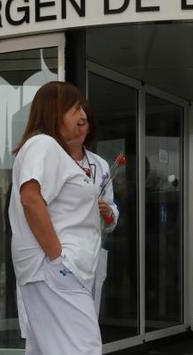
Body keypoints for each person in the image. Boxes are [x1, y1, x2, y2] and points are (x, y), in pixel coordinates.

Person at [8, 82, 126, 355]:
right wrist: (58, 256)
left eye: (84, 110)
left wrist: (106, 215)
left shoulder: (88, 161)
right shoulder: (43, 146)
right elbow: (30, 199)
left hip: (63, 267)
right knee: (82, 350)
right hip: (56, 268)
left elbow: (87, 212)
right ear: (51, 112)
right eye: (74, 109)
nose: (83, 117)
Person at [66, 102, 119, 315]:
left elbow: (112, 214)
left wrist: (108, 212)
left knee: (88, 320)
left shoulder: (101, 165)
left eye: (84, 123)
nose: (79, 128)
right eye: (75, 123)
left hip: (92, 250)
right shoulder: (55, 159)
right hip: (63, 253)